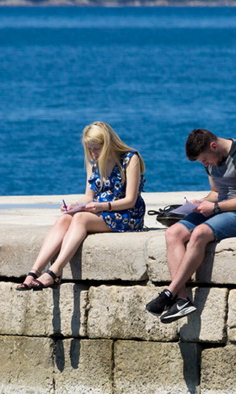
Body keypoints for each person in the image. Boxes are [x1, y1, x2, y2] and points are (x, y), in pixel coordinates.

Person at [145, 129, 236, 322]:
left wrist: (216, 207)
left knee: (200, 233)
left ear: (213, 145)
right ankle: (182, 299)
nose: (205, 164)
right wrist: (198, 204)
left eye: (205, 159)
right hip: (221, 209)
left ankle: (169, 292)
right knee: (173, 233)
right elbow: (216, 192)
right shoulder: (211, 159)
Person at [16, 121, 145, 290]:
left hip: (126, 213)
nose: (93, 152)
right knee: (65, 219)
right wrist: (75, 205)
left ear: (107, 144)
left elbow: (130, 200)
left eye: (96, 148)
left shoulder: (130, 158)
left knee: (80, 219)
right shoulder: (94, 161)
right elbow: (88, 196)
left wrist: (102, 206)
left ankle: (54, 272)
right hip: (101, 210)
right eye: (90, 148)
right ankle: (34, 272)